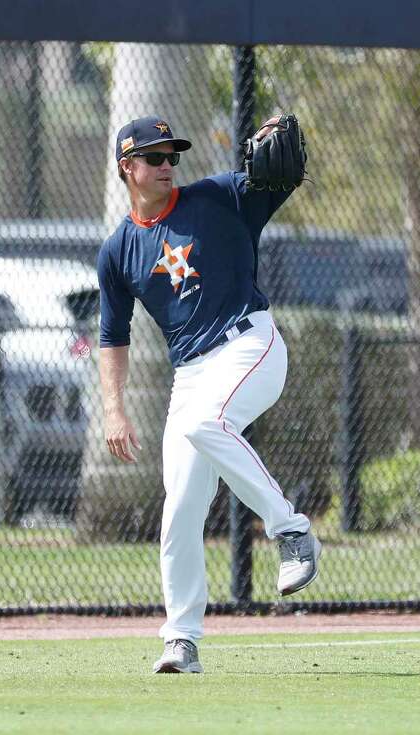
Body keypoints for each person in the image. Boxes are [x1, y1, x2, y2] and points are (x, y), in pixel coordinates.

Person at [96, 116, 321, 674]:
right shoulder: (119, 249)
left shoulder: (218, 196)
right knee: (181, 509)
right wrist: (115, 409)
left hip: (251, 344)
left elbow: (275, 180)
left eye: (171, 154)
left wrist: (273, 159)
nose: (166, 164)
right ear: (128, 168)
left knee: (206, 424)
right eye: (153, 156)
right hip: (191, 375)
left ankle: (292, 532)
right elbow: (112, 337)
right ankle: (181, 640)